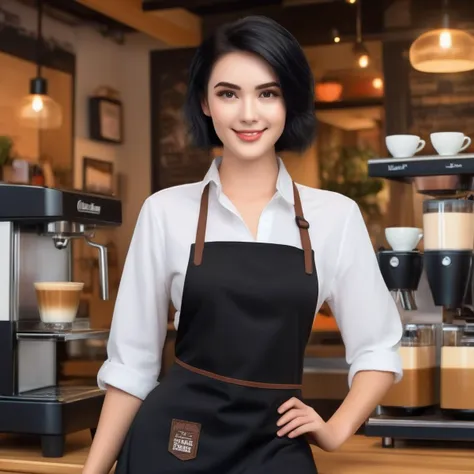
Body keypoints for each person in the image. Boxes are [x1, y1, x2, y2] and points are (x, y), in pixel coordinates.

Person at [82, 15, 403, 474]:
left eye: (267, 93)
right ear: (205, 104)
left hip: (276, 447)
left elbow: (377, 348)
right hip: (174, 441)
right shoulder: (165, 211)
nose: (248, 113)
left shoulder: (336, 217)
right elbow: (131, 367)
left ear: (289, 100)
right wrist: (93, 472)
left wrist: (334, 431)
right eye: (228, 93)